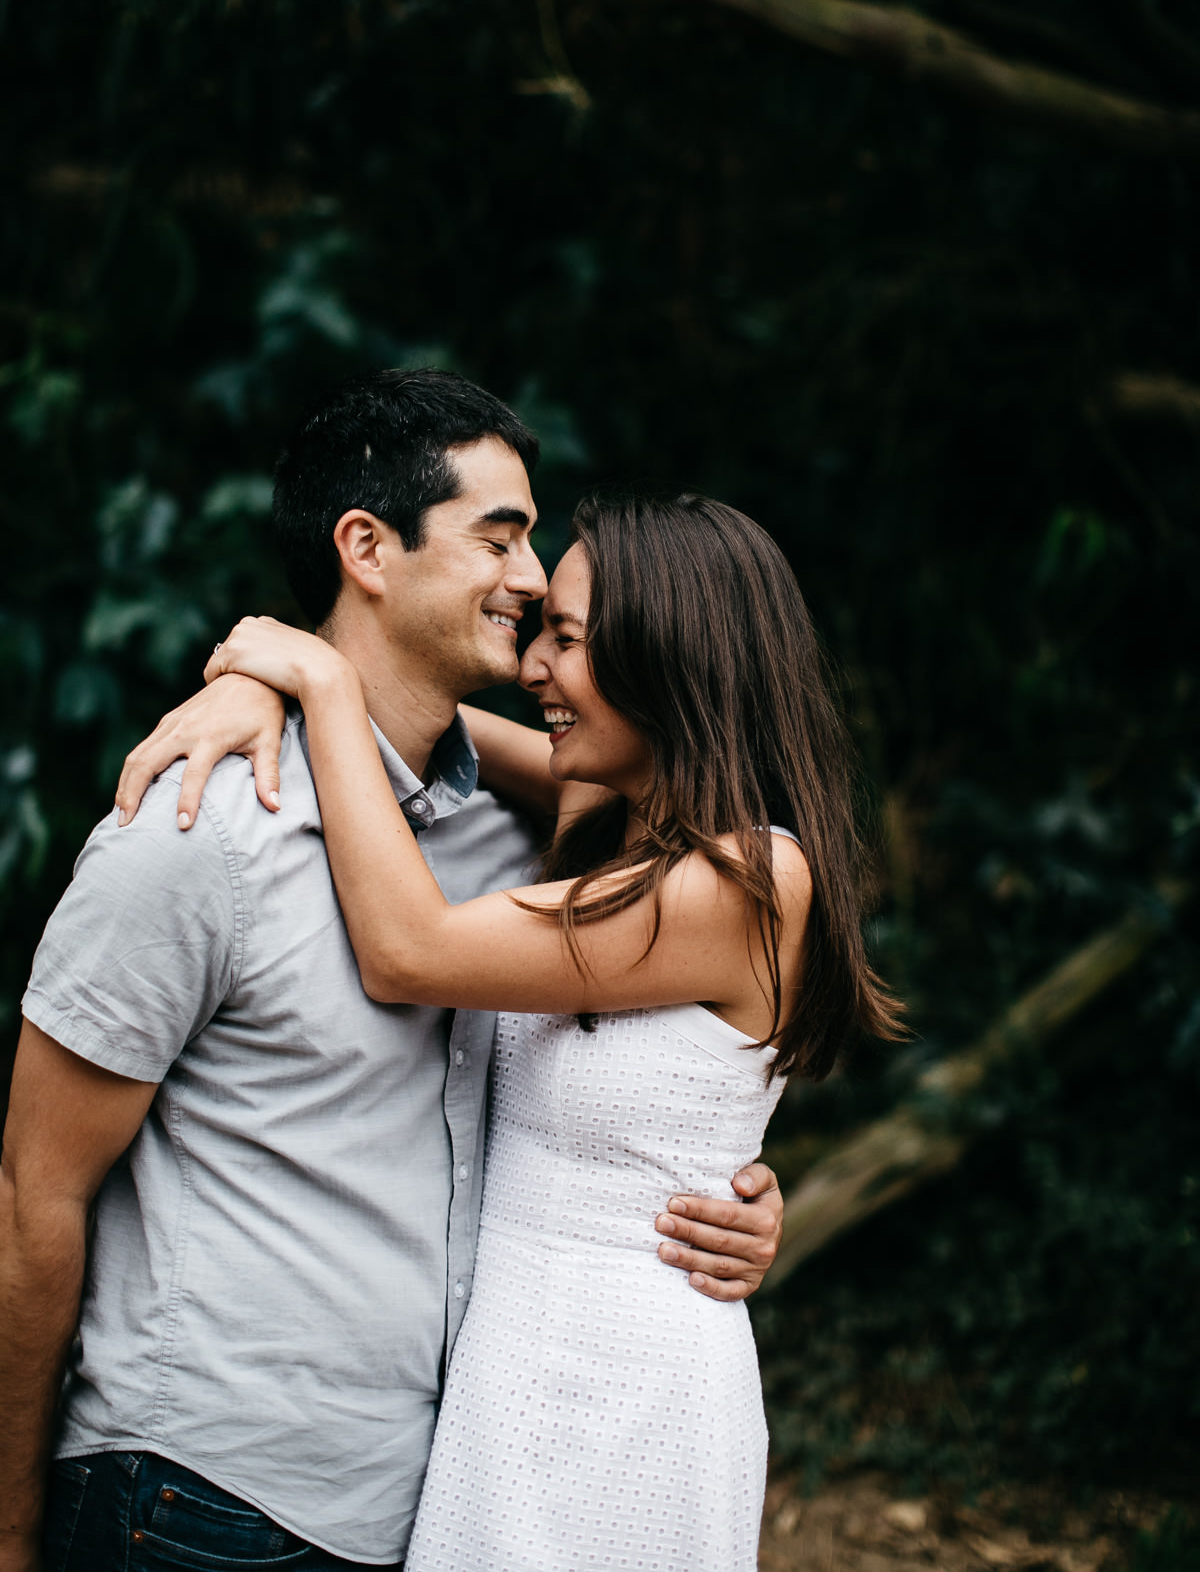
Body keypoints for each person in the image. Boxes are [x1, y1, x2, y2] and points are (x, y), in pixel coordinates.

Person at [0, 371, 783, 1572]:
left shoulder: (524, 837)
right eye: (502, 537)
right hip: (201, 1494)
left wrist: (722, 1183)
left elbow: (652, 1025)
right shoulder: (205, 827)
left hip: (434, 1493)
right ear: (365, 547)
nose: (530, 580)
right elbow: (31, 1196)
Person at [119, 488, 904, 1570]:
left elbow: (413, 950)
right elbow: (427, 729)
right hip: (510, 1372)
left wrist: (319, 681)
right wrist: (274, 686)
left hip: (619, 1393)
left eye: (568, 641)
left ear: (671, 660)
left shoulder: (748, 876)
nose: (535, 667)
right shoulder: (617, 816)